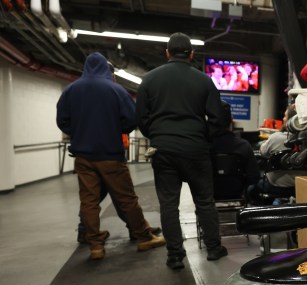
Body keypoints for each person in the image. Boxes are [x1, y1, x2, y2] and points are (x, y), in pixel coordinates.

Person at [56, 52, 166, 260]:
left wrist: (79, 132)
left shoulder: (71, 90)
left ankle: (95, 245)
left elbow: (62, 121)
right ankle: (143, 237)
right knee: (126, 199)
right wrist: (115, 129)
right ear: (107, 70)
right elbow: (131, 120)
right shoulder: (115, 90)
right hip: (110, 155)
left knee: (89, 201)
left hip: (83, 157)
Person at [136, 32, 227, 270]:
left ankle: (175, 255)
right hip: (196, 149)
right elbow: (218, 118)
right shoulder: (204, 80)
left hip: (163, 150)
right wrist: (202, 137)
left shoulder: (149, 80)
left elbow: (141, 119)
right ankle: (214, 249)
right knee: (205, 202)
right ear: (191, 54)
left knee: (168, 205)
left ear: (167, 53)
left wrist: (158, 136)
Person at [247, 105, 307, 204]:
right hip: (300, 188)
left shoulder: (275, 138)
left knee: (251, 189)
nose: (283, 118)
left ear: (292, 120)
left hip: (274, 187)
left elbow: (263, 153)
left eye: (285, 116)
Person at [211, 101, 260, 199]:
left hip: (208, 199)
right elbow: (254, 177)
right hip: (236, 195)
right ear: (231, 122)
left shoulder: (202, 146)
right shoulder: (243, 146)